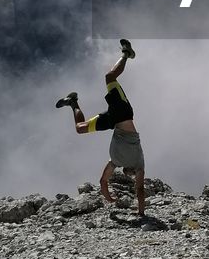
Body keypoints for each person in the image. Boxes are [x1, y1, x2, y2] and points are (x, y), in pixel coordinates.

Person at [56, 39, 147, 217]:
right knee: (109, 78)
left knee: (80, 128)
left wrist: (107, 195)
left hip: (112, 121)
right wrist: (142, 213)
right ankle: (127, 53)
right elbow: (140, 190)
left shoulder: (116, 162)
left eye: (129, 176)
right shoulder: (139, 165)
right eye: (132, 176)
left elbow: (103, 181)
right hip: (123, 113)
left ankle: (73, 102)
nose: (130, 176)